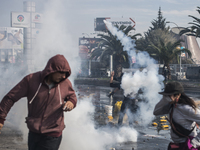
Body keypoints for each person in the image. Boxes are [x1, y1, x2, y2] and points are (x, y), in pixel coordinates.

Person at [0, 54, 77, 150]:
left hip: (53, 133)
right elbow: (10, 98)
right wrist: (1, 119)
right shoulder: (31, 80)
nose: (64, 76)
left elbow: (72, 96)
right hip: (33, 133)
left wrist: (71, 102)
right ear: (52, 69)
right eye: (61, 73)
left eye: (66, 73)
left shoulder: (65, 83)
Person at [153, 81, 200, 150]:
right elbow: (156, 112)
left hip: (187, 146)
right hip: (177, 145)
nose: (167, 97)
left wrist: (195, 142)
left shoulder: (187, 108)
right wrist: (164, 100)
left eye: (169, 95)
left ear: (178, 95)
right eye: (165, 95)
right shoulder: (171, 105)